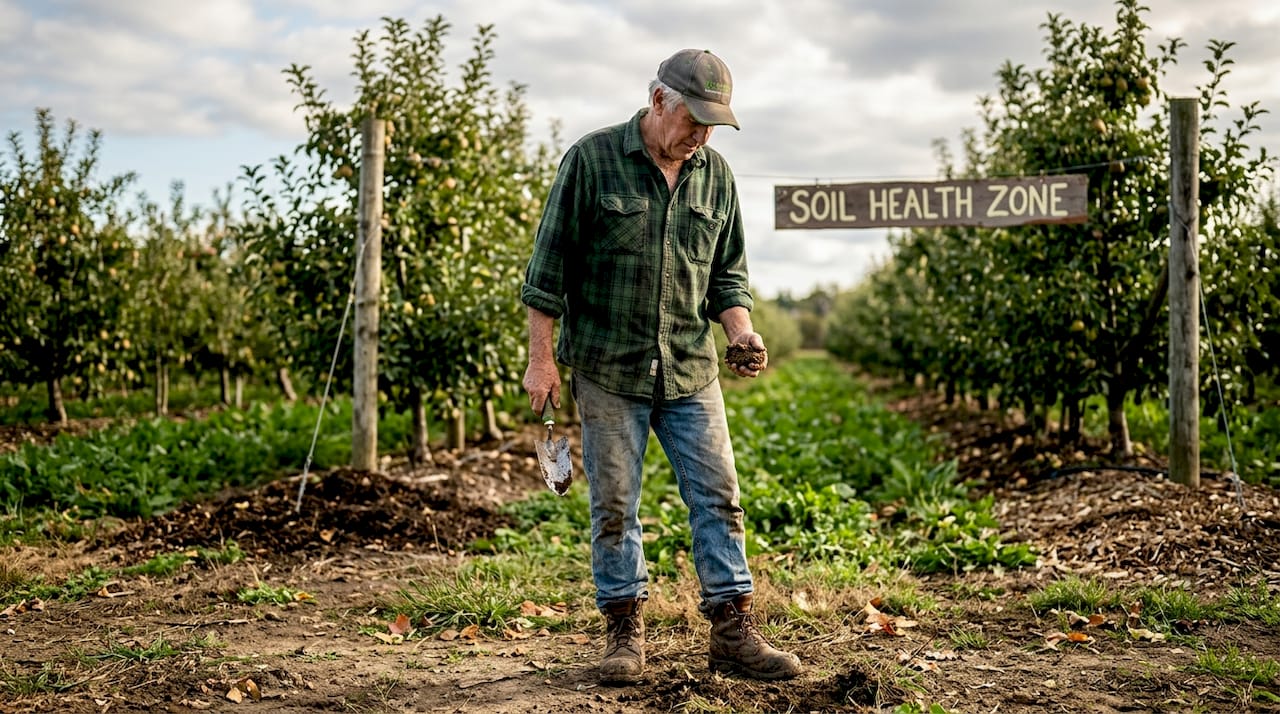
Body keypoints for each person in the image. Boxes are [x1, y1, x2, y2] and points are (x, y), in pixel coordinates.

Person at [520, 48, 801, 684]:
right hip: (608, 369)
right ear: (658, 102)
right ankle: (624, 632)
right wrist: (542, 361)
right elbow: (547, 273)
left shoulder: (716, 176)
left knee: (720, 497)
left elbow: (727, 277)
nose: (701, 134)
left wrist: (742, 332)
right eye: (694, 119)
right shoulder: (592, 161)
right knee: (615, 504)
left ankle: (733, 629)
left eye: (713, 124)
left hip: (690, 368)